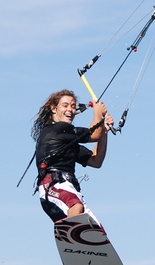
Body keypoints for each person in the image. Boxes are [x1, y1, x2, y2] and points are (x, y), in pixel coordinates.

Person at [31, 89, 114, 222]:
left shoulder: (67, 142)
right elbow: (94, 135)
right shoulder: (57, 129)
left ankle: (78, 237)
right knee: (76, 206)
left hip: (69, 189)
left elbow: (96, 160)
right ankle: (73, 234)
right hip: (53, 186)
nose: (70, 109)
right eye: (65, 105)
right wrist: (98, 113)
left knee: (94, 227)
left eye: (73, 106)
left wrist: (104, 131)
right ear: (53, 108)